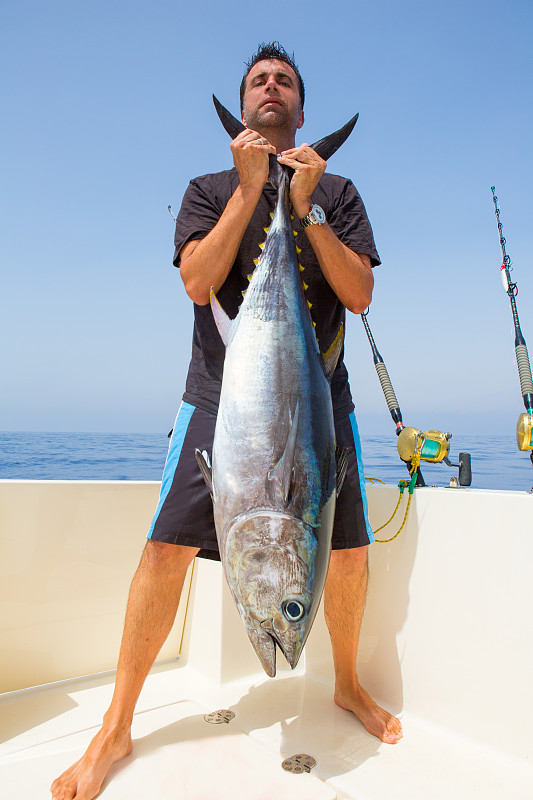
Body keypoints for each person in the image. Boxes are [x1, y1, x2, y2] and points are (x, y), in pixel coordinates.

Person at [51, 41, 402, 800]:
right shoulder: (208, 187)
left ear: (300, 111)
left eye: (282, 83)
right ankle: (115, 725)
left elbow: (360, 294)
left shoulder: (335, 190)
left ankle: (343, 683)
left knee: (344, 551)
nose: (269, 90)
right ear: (243, 108)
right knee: (165, 550)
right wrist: (250, 191)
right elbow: (197, 281)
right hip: (219, 400)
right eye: (257, 82)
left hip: (318, 403)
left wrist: (301, 208)